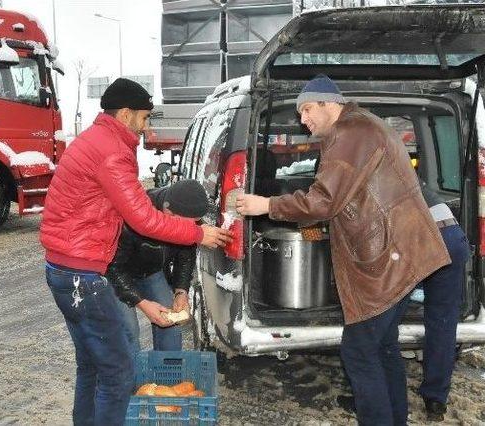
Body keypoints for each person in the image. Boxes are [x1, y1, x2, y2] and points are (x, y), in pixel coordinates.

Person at [235, 74, 450, 425]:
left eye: (307, 110)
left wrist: (267, 205)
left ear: (327, 102)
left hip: (387, 259)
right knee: (382, 346)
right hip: (401, 253)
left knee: (359, 351)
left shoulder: (350, 133)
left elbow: (324, 201)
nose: (303, 121)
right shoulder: (362, 127)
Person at [40, 77, 232, 426]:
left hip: (64, 267)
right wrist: (197, 233)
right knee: (118, 373)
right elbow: (144, 220)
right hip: (84, 273)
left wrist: (178, 286)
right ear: (126, 114)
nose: (146, 128)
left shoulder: (94, 141)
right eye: (144, 118)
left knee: (92, 367)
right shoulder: (111, 150)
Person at [107, 179, 209, 357]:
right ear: (168, 212)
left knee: (171, 322)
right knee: (128, 330)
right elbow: (113, 268)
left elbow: (185, 256)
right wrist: (143, 304)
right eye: (188, 224)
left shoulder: (185, 210)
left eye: (196, 223)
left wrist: (181, 291)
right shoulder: (134, 216)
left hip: (152, 272)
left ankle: (168, 377)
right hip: (118, 274)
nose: (192, 229)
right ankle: (131, 380)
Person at [416, 179, 470, 421]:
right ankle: (436, 400)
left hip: (423, 240)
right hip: (452, 236)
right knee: (443, 324)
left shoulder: (371, 167)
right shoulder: (405, 171)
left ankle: (371, 396)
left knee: (383, 321)